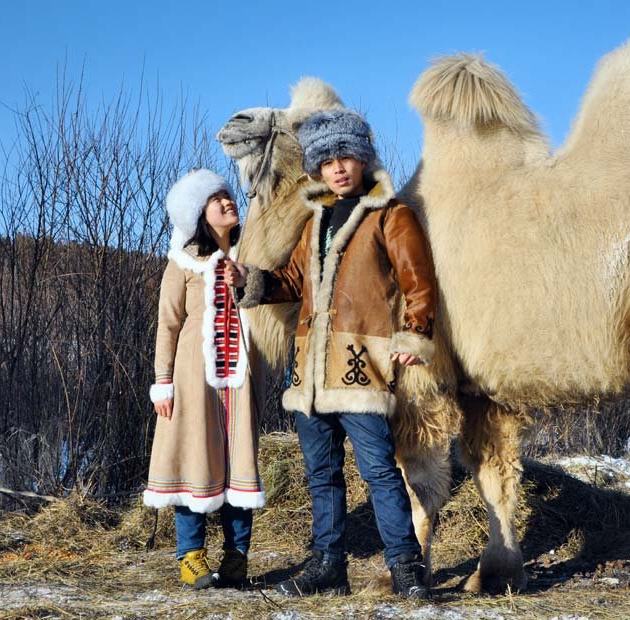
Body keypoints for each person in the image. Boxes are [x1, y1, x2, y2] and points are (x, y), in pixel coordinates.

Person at [225, 109, 437, 599]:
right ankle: (328, 567)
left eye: (346, 157)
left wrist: (414, 333)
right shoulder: (316, 219)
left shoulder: (390, 214)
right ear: (317, 168)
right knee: (321, 474)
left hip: (359, 367)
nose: (337, 168)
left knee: (379, 471)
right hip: (310, 371)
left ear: (362, 159)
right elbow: (293, 282)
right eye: (326, 161)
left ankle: (406, 568)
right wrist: (251, 281)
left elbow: (418, 280)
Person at [145, 169, 265, 589]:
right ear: (199, 213)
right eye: (216, 199)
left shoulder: (253, 255)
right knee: (193, 458)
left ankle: (236, 556)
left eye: (227, 196)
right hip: (193, 379)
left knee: (239, 462)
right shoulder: (182, 262)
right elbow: (167, 325)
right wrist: (163, 382)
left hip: (241, 378)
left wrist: (248, 279)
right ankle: (191, 557)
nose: (228, 202)